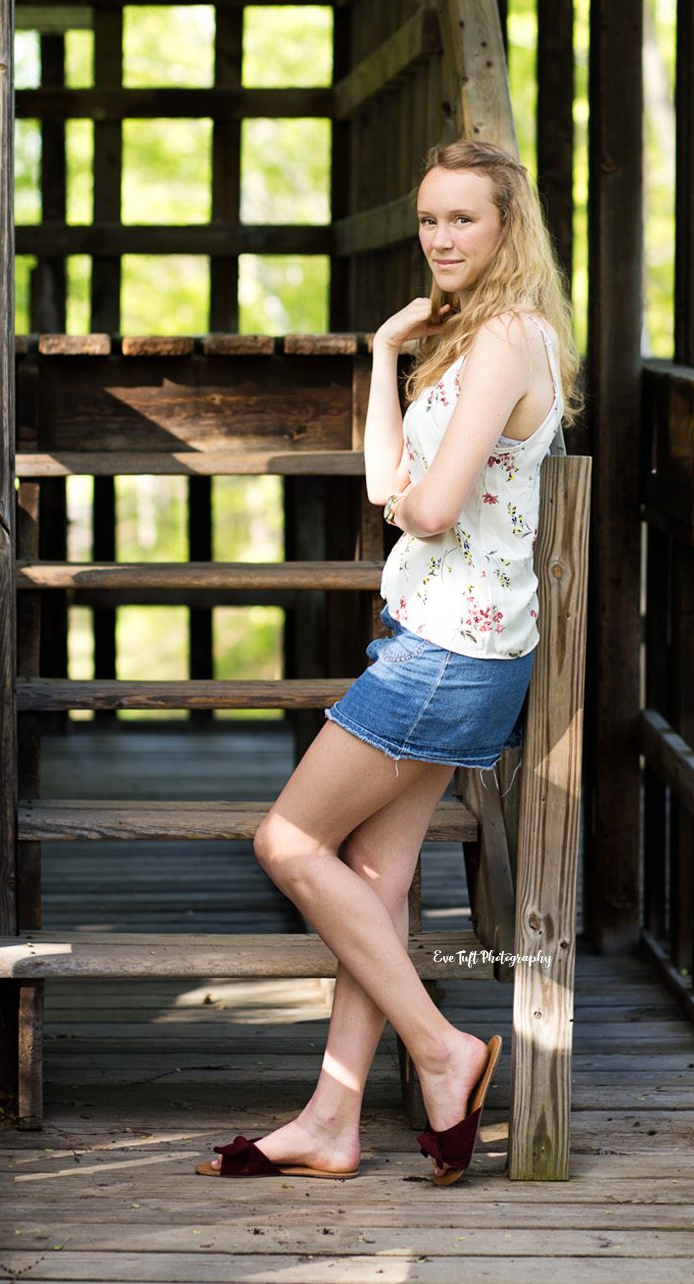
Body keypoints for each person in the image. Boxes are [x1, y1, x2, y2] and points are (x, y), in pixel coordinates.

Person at [195, 139, 581, 1185]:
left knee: (286, 841)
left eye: (463, 218)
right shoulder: (472, 338)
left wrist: (415, 498)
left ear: (506, 227)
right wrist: (379, 353)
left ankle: (442, 1049)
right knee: (375, 876)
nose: (440, 239)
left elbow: (431, 505)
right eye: (428, 220)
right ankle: (331, 1119)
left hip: (448, 652)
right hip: (445, 640)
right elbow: (384, 484)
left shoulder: (507, 337)